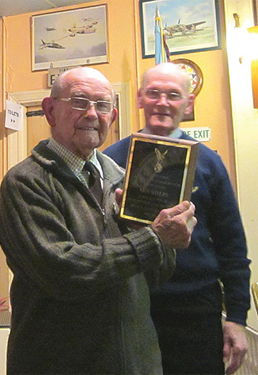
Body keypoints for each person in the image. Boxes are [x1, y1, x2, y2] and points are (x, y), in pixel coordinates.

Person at [0, 66, 197, 375]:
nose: (92, 113)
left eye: (102, 105)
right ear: (50, 110)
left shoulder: (126, 179)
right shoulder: (25, 182)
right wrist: (153, 239)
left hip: (137, 363)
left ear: (112, 117)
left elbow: (156, 275)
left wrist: (170, 242)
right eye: (79, 101)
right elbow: (63, 272)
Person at [104, 62, 251, 375]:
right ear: (140, 98)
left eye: (173, 94)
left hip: (195, 309)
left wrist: (237, 318)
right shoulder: (111, 160)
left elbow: (232, 246)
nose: (162, 102)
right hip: (128, 306)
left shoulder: (210, 164)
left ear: (188, 103)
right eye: (154, 93)